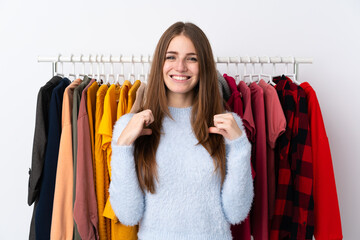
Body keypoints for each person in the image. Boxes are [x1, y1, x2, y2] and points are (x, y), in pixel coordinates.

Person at [109, 21, 253, 240]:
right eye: (171, 56)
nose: (180, 67)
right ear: (160, 63)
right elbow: (128, 215)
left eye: (192, 58)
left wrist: (240, 146)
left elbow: (236, 213)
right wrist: (123, 145)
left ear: (203, 65)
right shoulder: (131, 126)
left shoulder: (227, 125)